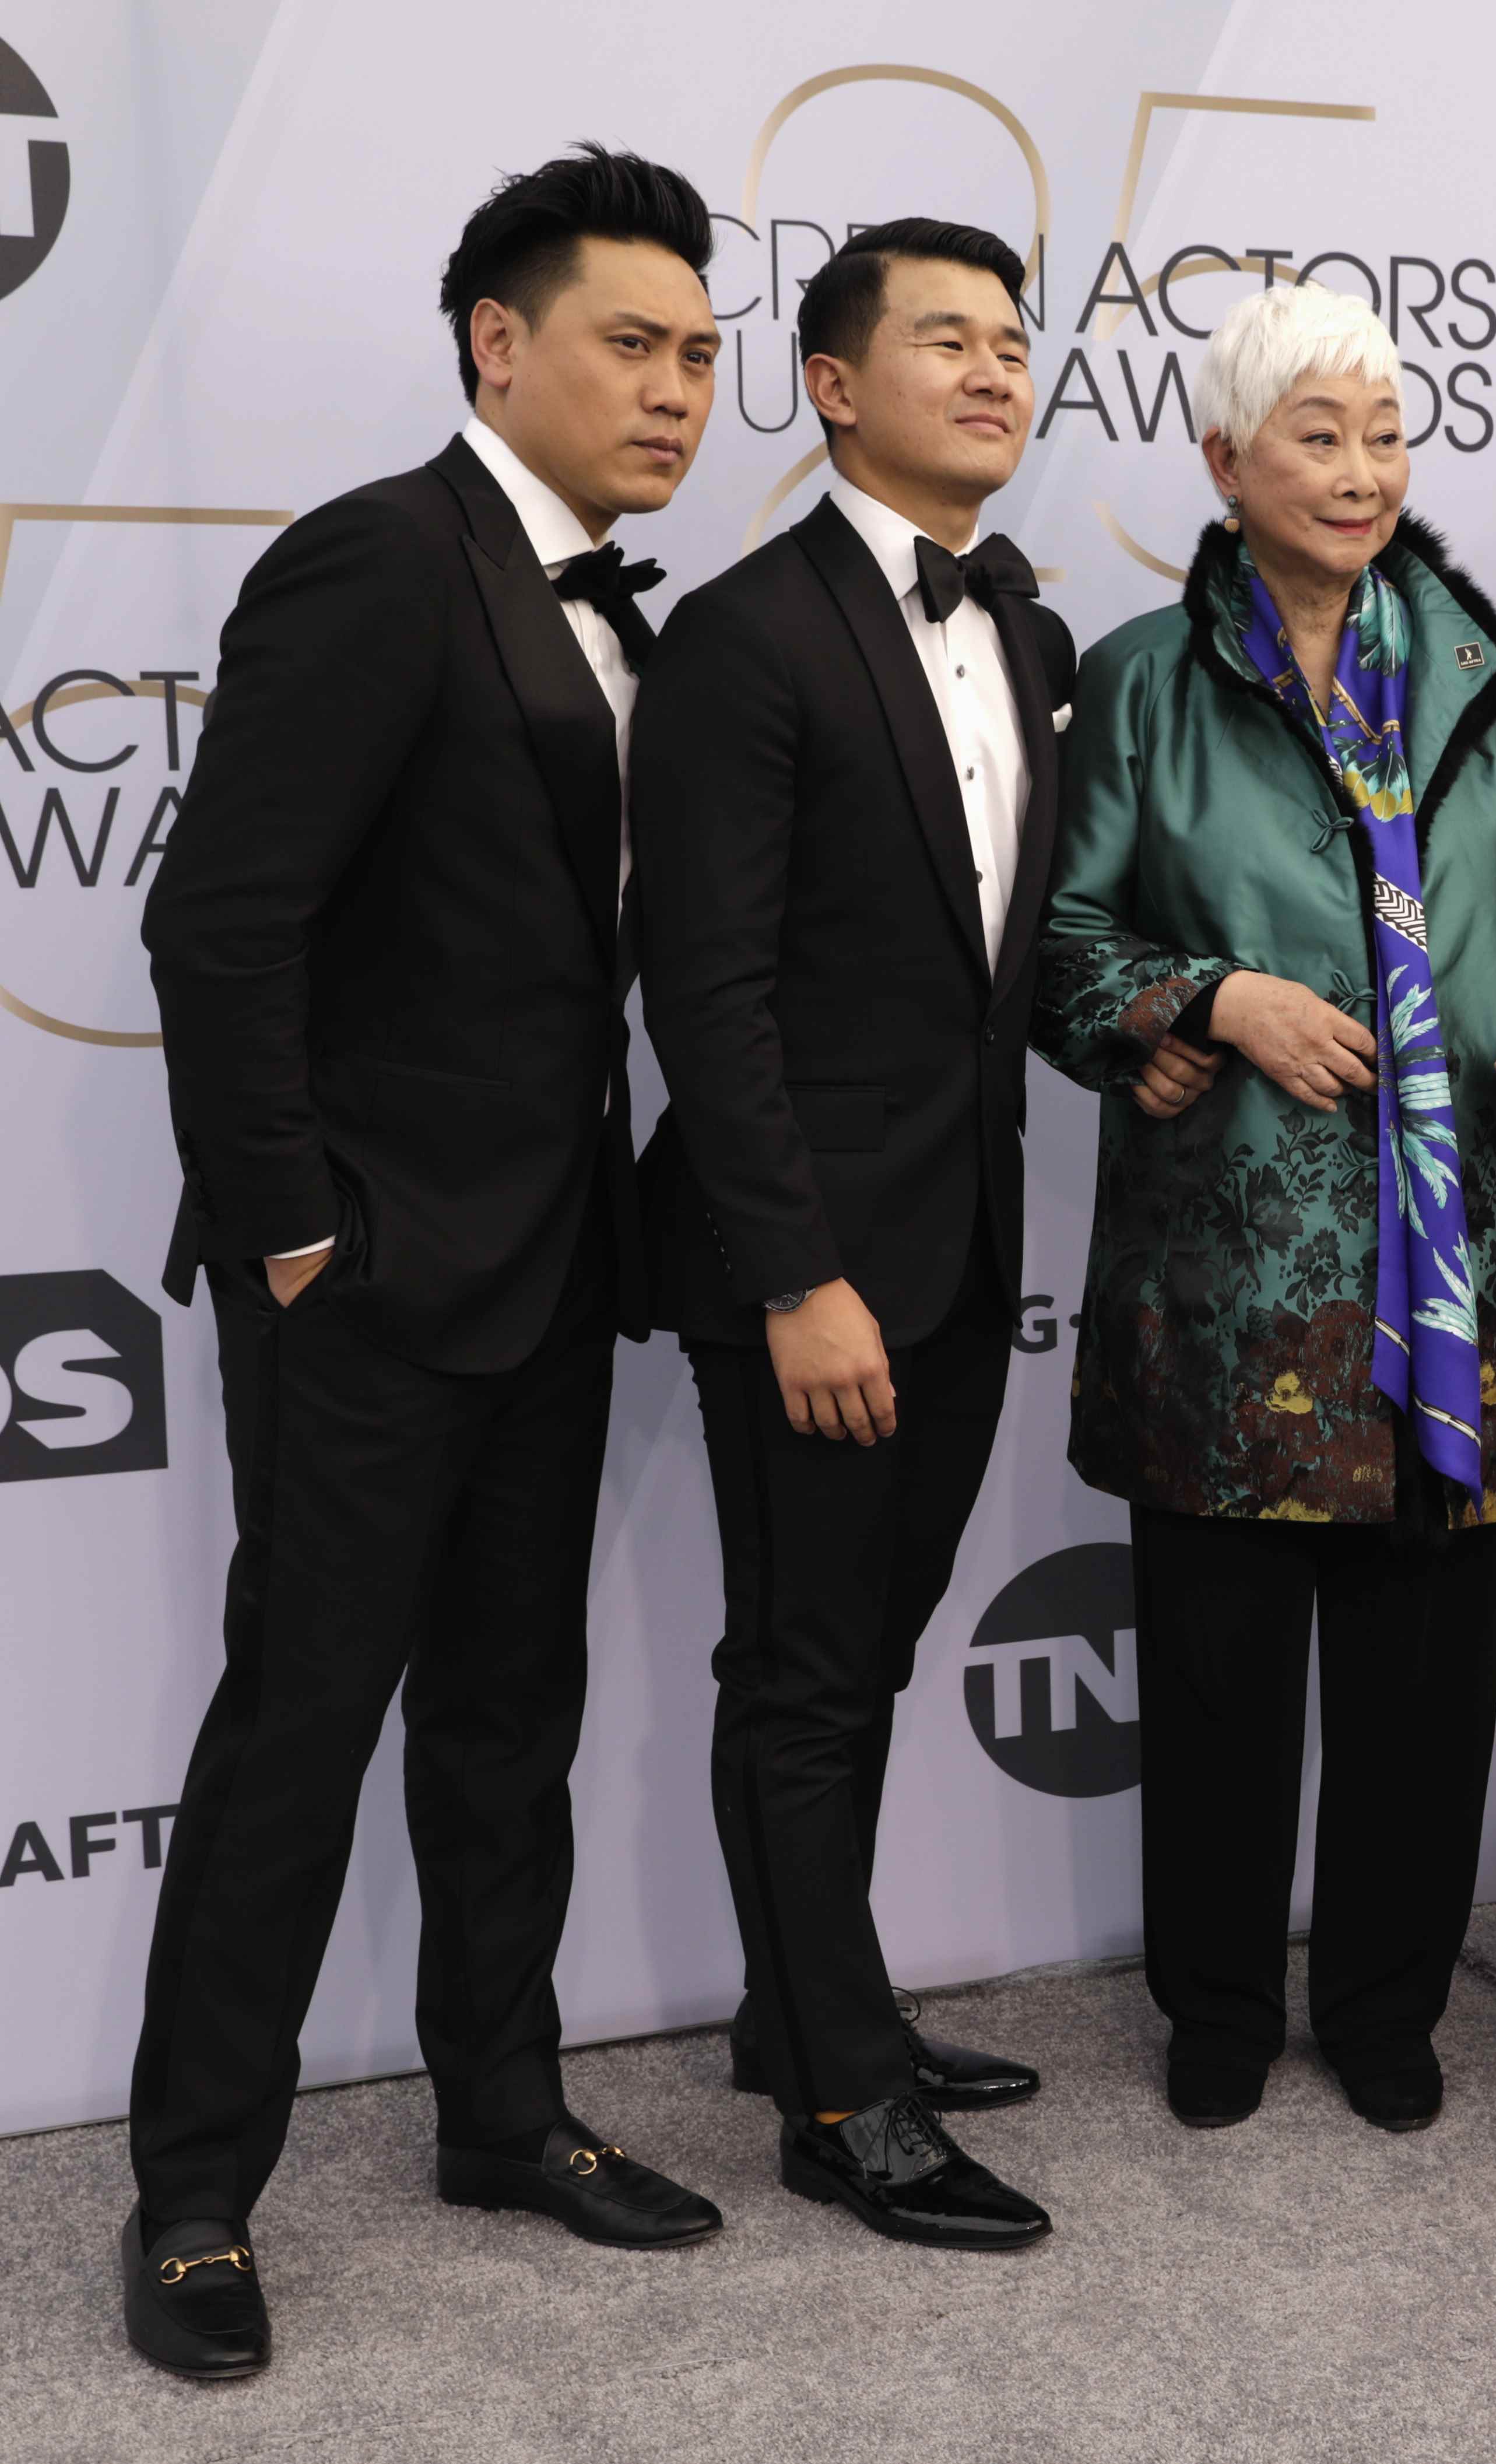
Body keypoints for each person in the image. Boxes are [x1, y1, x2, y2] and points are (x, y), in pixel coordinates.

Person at [128, 146, 725, 2379]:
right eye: (632, 345)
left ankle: (503, 2108)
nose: (676, 392)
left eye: (701, 356)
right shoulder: (380, 560)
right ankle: (195, 2190)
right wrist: (297, 1234)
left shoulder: (621, 605)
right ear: (499, 343)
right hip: (369, 1280)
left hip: (555, 1264)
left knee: (507, 1719)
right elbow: (222, 925)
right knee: (300, 1729)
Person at [1032, 282, 1496, 2136]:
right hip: (1234, 1252)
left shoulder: (1483, 676)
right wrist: (1209, 1001)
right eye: (1317, 436)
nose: (1361, 473)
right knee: (1217, 1660)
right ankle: (1213, 1999)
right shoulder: (1142, 677)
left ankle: (1384, 2002)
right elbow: (1062, 942)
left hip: (1459, 1245)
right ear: (1225, 461)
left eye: (1384, 435)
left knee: (1427, 1667)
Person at [634, 219, 1063, 2249]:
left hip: (966, 1244)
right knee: (807, 1673)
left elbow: (995, 966)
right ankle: (842, 2099)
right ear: (830, 383)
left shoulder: (1030, 635)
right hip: (810, 1267)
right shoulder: (747, 634)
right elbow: (704, 992)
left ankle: (803, 2005)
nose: (992, 373)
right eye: (945, 340)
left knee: (864, 1654)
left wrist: (1160, 1032)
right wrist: (798, 1277)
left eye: (1013, 344)